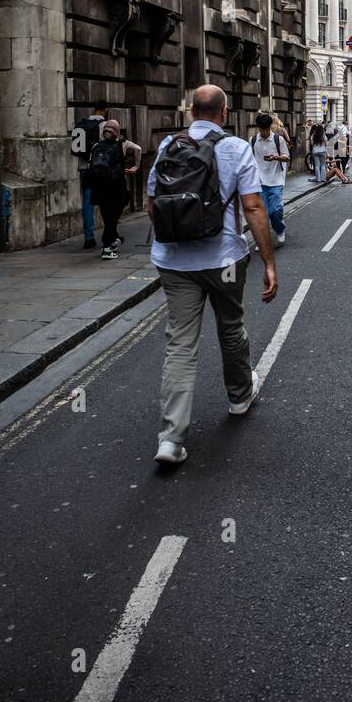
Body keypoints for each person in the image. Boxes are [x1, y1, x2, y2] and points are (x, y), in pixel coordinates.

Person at [146, 85, 277, 467]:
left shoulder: (169, 144)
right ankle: (239, 397)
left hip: (174, 261)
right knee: (230, 328)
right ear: (224, 112)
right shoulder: (236, 148)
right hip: (224, 259)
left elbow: (152, 203)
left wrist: (177, 238)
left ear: (191, 111)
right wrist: (269, 262)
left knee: (180, 345)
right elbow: (253, 207)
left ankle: (171, 439)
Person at [85, 119, 142, 260]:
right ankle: (107, 247)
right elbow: (138, 149)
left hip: (100, 187)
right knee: (113, 218)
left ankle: (113, 239)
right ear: (117, 131)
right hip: (117, 187)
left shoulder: (96, 146)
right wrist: (136, 166)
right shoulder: (123, 144)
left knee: (107, 217)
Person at [251, 111, 290, 247]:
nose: (264, 132)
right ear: (259, 128)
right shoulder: (253, 140)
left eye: (266, 129)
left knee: (274, 210)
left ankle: (279, 229)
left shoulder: (278, 140)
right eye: (262, 129)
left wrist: (276, 157)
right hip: (260, 181)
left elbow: (287, 156)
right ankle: (263, 240)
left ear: (270, 127)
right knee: (263, 214)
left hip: (276, 180)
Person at [74, 99, 109, 249]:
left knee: (87, 204)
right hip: (101, 171)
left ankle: (89, 238)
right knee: (107, 202)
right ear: (105, 110)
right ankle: (110, 233)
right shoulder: (105, 126)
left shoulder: (82, 125)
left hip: (84, 169)